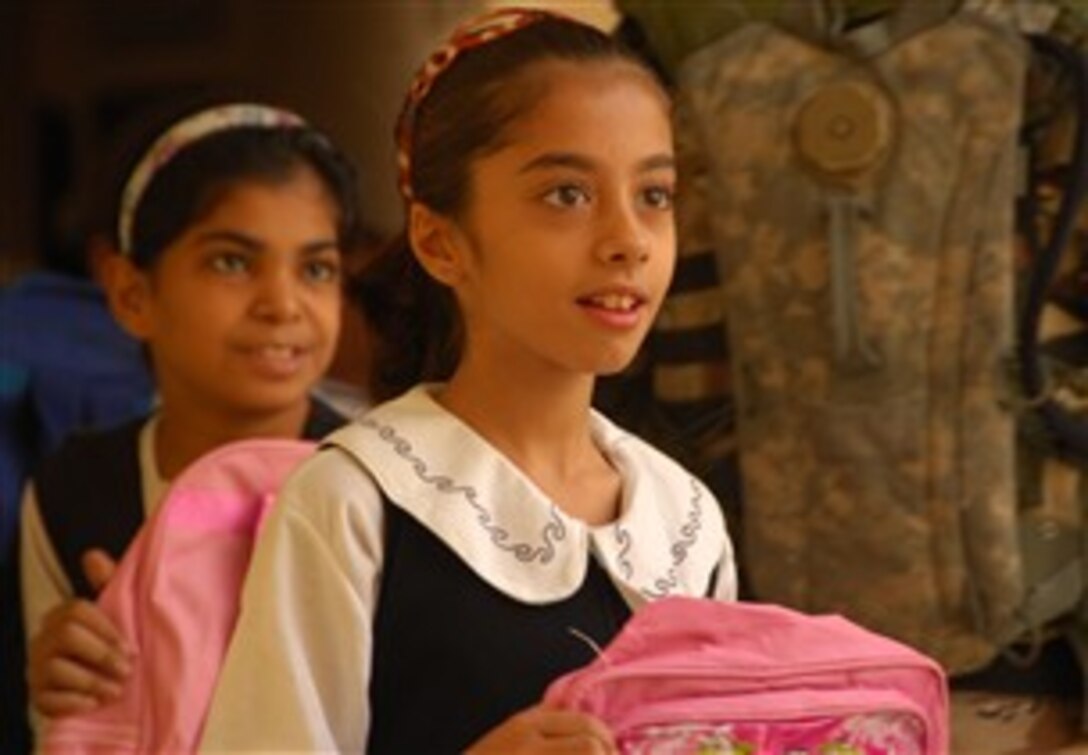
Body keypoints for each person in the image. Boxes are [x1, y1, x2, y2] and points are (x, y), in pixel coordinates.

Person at [199, 9, 736, 754]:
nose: (628, 241)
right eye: (567, 195)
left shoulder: (686, 525)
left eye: (655, 194)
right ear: (438, 240)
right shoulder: (355, 504)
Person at [19, 101, 362, 742]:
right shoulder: (78, 492)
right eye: (231, 262)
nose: (282, 304)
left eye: (316, 269)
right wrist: (61, 679)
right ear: (131, 294)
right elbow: (60, 727)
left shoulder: (377, 482)